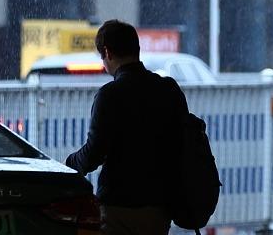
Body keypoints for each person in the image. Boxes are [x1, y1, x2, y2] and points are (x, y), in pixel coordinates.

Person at [66, 19, 188, 235]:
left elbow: (95, 153)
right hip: (159, 206)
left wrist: (70, 164)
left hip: (118, 206)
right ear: (137, 49)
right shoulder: (168, 89)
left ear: (107, 53)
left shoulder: (110, 95)